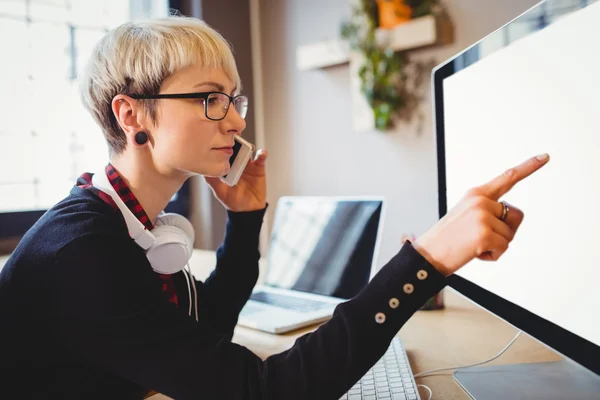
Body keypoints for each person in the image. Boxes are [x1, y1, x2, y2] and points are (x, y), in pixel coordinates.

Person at [0, 15, 550, 400]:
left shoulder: (131, 225)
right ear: (132, 114)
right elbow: (258, 392)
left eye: (233, 99)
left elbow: (206, 334)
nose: (236, 121)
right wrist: (424, 260)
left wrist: (244, 221)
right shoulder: (82, 250)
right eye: (210, 98)